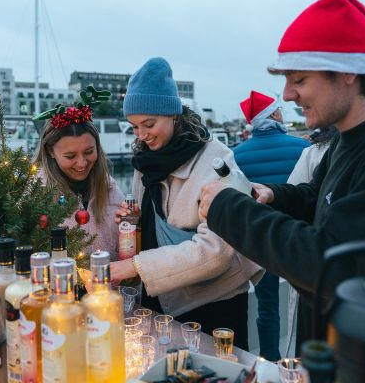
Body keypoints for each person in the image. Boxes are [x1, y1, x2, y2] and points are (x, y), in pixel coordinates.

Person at [199, 0, 365, 349]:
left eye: (299, 80)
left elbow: (340, 268)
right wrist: (273, 196)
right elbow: (321, 198)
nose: (286, 95)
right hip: (336, 351)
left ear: (347, 73)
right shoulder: (349, 138)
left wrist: (228, 210)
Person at [109, 57, 263, 350]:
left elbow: (216, 251)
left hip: (215, 301)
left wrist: (133, 266)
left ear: (174, 115)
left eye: (149, 124)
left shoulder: (216, 161)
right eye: (134, 127)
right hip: (160, 292)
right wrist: (140, 219)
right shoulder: (145, 161)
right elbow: (164, 215)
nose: (141, 135)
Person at [233, 90, 308, 360]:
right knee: (305, 302)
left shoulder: (236, 154)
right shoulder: (302, 148)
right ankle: (303, 363)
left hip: (260, 239)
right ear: (275, 115)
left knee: (267, 305)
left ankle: (269, 361)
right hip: (298, 237)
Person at [33, 96, 125, 260]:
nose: (82, 163)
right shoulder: (35, 194)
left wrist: (134, 223)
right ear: (50, 152)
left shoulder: (111, 189)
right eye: (70, 156)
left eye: (89, 152)